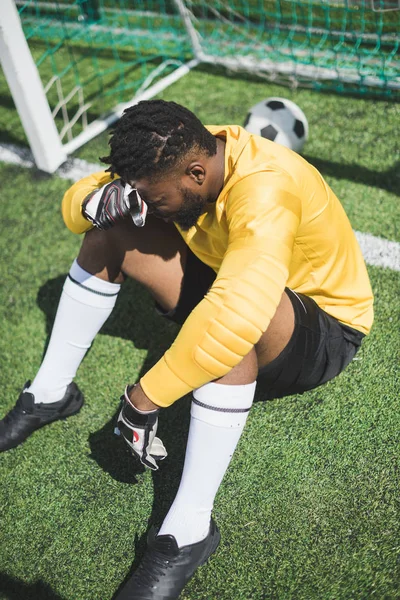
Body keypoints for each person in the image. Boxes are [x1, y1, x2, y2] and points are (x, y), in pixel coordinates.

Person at [0, 100, 373, 599]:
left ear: (198, 173)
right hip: (229, 275)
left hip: (322, 323)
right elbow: (84, 203)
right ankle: (50, 392)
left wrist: (145, 396)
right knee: (109, 230)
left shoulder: (267, 189)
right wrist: (93, 202)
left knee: (229, 334)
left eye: (155, 200)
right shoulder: (177, 152)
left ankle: (188, 532)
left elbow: (237, 314)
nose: (149, 208)